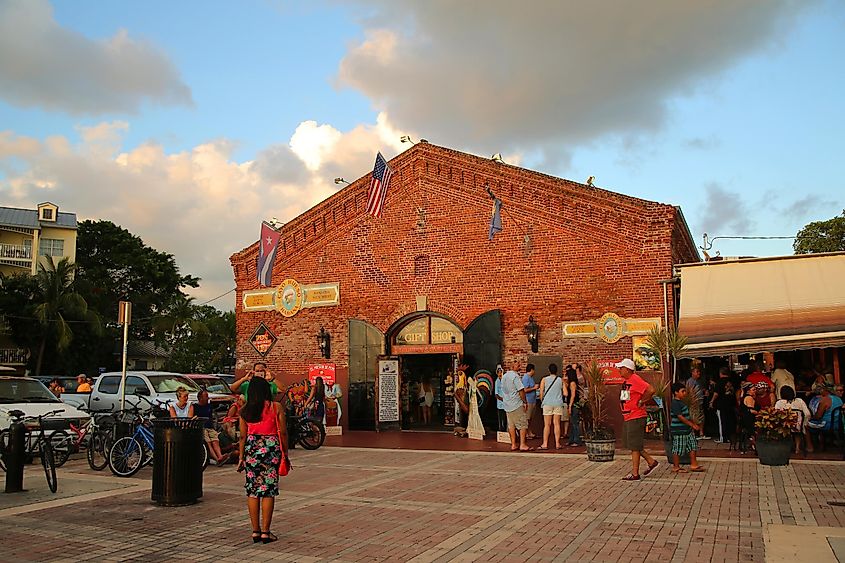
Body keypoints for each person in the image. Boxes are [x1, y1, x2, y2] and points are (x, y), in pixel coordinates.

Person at [238, 376, 287, 544]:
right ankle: (266, 532)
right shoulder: (275, 407)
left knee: (252, 491)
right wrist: (285, 453)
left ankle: (255, 531)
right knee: (268, 490)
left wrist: (240, 457)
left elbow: (243, 436)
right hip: (270, 448)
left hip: (252, 448)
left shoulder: (245, 410)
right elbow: (283, 431)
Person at [618, 358, 659, 481]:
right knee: (632, 443)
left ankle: (635, 473)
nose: (619, 370)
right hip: (628, 416)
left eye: (621, 368)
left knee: (635, 446)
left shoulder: (635, 379)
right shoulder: (626, 381)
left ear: (628, 369)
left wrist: (642, 400)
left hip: (636, 416)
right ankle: (651, 461)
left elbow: (651, 390)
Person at [669, 382, 705, 473]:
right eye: (682, 391)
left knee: (692, 446)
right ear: (676, 392)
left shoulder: (682, 402)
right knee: (678, 448)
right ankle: (676, 467)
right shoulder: (675, 403)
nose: (684, 393)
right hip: (679, 430)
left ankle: (694, 464)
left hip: (687, 430)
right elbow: (680, 417)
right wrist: (692, 424)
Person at [774, 385, 812, 454]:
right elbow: (807, 414)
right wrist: (804, 424)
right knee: (797, 433)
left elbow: (776, 414)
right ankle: (797, 448)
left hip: (784, 426)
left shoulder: (779, 403)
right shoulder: (800, 401)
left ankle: (784, 447)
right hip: (797, 426)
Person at [501, 365, 531, 451]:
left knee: (511, 425)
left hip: (507, 404)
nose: (519, 366)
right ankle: (522, 444)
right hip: (516, 404)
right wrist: (525, 401)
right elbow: (521, 390)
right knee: (522, 424)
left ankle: (513, 444)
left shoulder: (504, 376)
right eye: (517, 364)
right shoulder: (515, 376)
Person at [194, 389, 227, 465]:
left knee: (215, 441)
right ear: (200, 398)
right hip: (202, 427)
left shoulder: (209, 406)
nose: (207, 398)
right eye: (206, 396)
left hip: (210, 427)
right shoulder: (195, 407)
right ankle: (216, 459)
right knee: (208, 442)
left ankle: (220, 456)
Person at [538, 363, 564, 450]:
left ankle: (545, 444)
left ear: (549, 370)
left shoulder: (544, 380)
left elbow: (541, 393)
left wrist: (543, 400)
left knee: (547, 425)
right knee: (557, 424)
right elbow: (565, 393)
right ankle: (557, 443)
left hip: (547, 403)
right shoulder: (561, 380)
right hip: (558, 403)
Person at [710, 367, 737, 444]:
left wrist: (711, 401)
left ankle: (723, 438)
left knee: (722, 422)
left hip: (721, 404)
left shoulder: (720, 382)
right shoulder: (732, 381)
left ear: (720, 373)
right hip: (731, 404)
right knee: (730, 421)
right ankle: (730, 437)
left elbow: (716, 393)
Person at [565, 367, 583, 447]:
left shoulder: (572, 383)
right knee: (572, 422)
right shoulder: (570, 383)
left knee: (575, 423)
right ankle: (572, 439)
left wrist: (570, 405)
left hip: (574, 404)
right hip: (572, 404)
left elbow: (573, 395)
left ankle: (576, 440)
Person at [521, 364, 539, 439]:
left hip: (533, 400)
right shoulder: (526, 378)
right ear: (531, 370)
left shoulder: (531, 378)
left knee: (531, 417)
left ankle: (529, 432)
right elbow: (524, 390)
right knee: (527, 418)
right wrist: (534, 388)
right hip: (528, 400)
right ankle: (526, 433)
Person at [494, 365, 506, 432]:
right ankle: (501, 430)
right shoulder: (497, 381)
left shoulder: (504, 380)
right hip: (500, 404)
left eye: (500, 372)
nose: (499, 374)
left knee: (505, 418)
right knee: (500, 418)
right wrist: (502, 399)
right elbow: (496, 394)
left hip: (506, 403)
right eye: (498, 372)